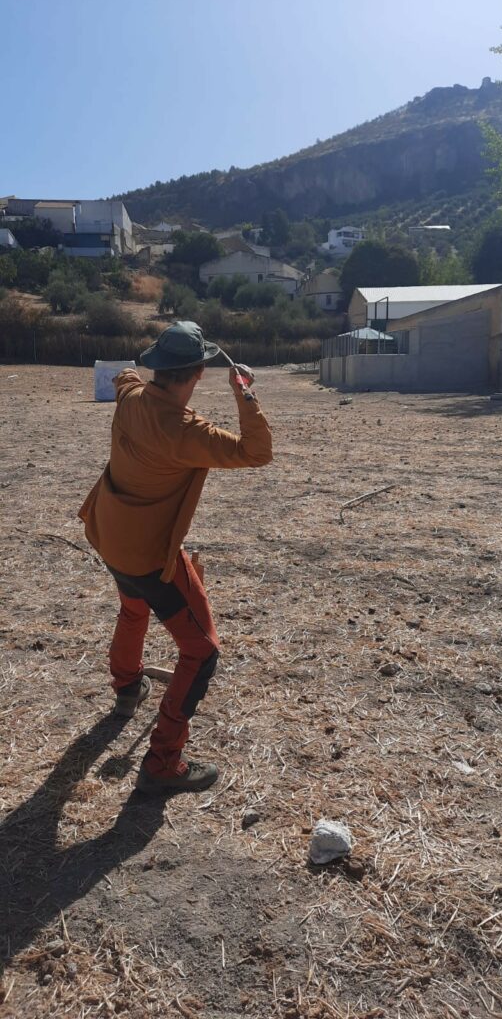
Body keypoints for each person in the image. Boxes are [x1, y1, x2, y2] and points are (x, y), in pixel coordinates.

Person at [79, 321, 273, 794]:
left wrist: (129, 374)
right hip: (150, 554)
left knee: (133, 609)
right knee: (201, 650)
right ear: (199, 372)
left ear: (159, 367)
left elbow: (125, 378)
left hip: (108, 534)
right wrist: (245, 393)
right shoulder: (188, 432)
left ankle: (128, 687)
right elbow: (257, 451)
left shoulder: (131, 398)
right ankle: (164, 762)